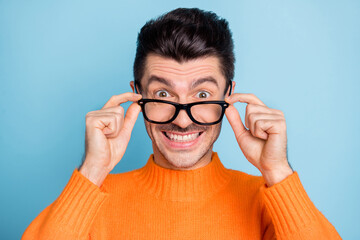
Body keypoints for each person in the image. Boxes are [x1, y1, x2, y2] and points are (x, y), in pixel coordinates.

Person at [22, 8, 341, 239]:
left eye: (202, 93)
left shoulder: (267, 200)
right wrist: (92, 172)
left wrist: (278, 172)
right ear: (137, 96)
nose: (183, 118)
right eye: (163, 93)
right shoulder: (91, 202)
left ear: (228, 96)